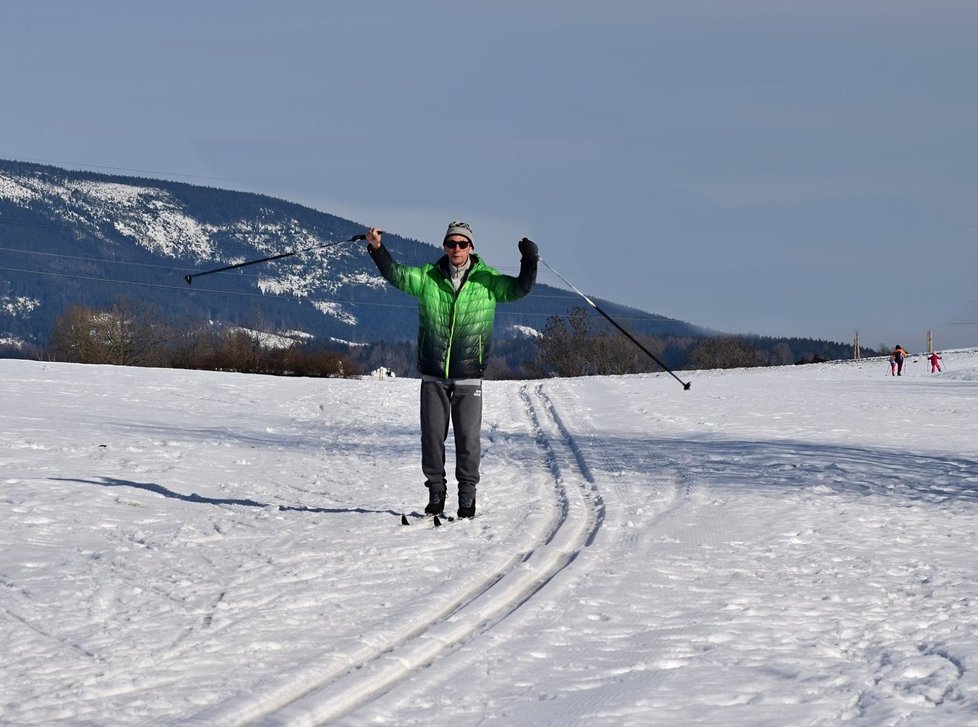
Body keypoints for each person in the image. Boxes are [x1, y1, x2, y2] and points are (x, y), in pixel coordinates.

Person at [365, 221, 538, 519]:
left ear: (471, 247)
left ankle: (467, 496)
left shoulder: (488, 281)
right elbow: (397, 275)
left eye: (462, 244)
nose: (456, 249)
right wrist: (378, 250)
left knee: (468, 441)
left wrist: (529, 261)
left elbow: (519, 290)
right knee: (432, 438)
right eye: (451, 244)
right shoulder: (427, 278)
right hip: (434, 374)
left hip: (469, 375)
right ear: (444, 246)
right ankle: (435, 491)